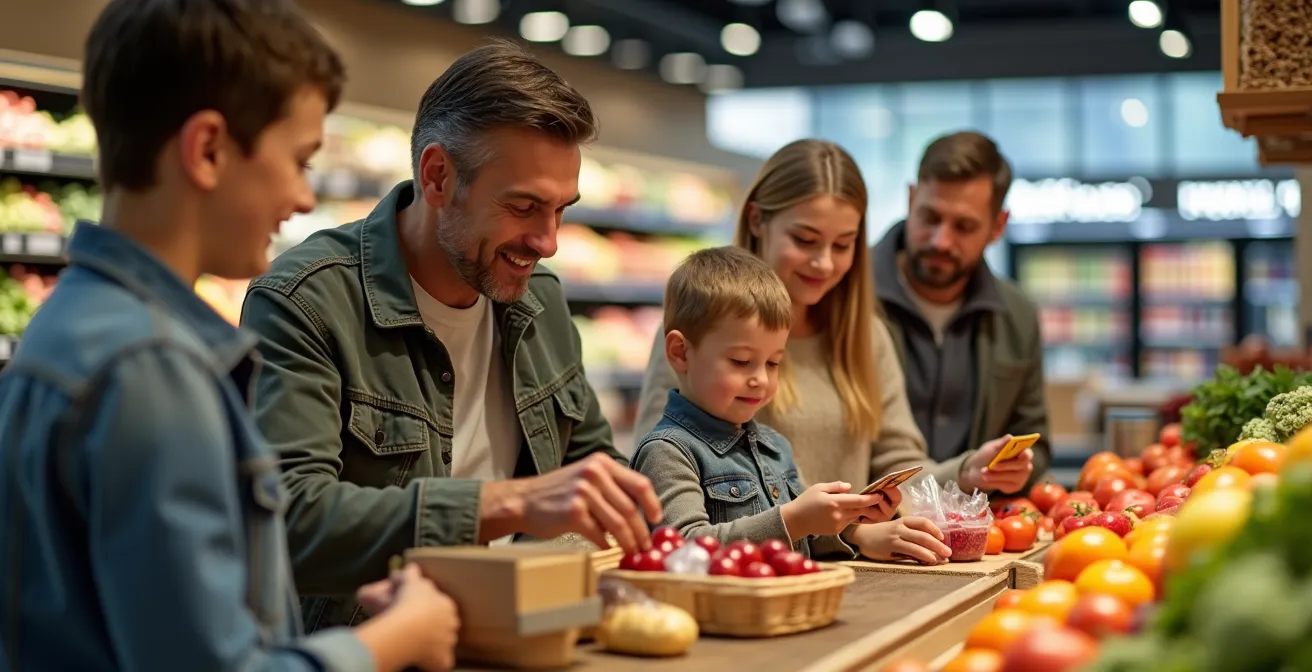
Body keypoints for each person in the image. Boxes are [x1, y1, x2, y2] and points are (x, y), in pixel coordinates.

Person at [0, 0, 460, 670]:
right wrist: (395, 637)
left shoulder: (69, 325)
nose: (304, 197)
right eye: (299, 160)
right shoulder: (151, 368)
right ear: (208, 149)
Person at [240, 38, 662, 633]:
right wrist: (510, 504)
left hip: (528, 632)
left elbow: (589, 463)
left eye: (561, 209)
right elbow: (289, 521)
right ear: (438, 176)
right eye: (524, 206)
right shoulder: (307, 301)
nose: (548, 242)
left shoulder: (539, 298)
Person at [636, 139, 1031, 565]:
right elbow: (669, 498)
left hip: (840, 577)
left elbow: (897, 462)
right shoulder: (700, 335)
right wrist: (810, 524)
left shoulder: (865, 336)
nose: (823, 263)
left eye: (842, 245)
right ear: (757, 220)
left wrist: (968, 471)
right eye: (805, 239)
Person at [631, 246, 899, 557]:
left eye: (773, 363)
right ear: (680, 352)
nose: (760, 379)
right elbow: (684, 550)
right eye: (741, 361)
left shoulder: (775, 446)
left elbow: (807, 536)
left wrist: (855, 529)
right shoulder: (666, 453)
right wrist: (793, 520)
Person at [871, 131, 1050, 493]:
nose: (941, 240)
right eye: (930, 217)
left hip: (977, 523)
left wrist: (1012, 469)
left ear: (997, 226)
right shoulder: (847, 295)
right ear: (911, 198)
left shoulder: (1017, 316)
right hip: (865, 522)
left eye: (964, 226)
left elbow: (1037, 441)